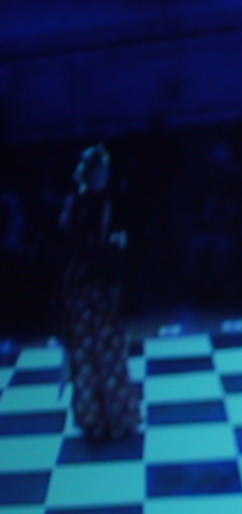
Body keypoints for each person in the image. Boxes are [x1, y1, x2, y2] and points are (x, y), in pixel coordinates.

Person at [58, 144, 138, 441]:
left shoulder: (102, 203)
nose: (105, 175)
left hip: (98, 287)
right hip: (87, 288)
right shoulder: (80, 206)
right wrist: (108, 248)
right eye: (101, 170)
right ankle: (102, 419)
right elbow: (75, 245)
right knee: (93, 354)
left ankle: (109, 419)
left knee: (104, 353)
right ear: (90, 173)